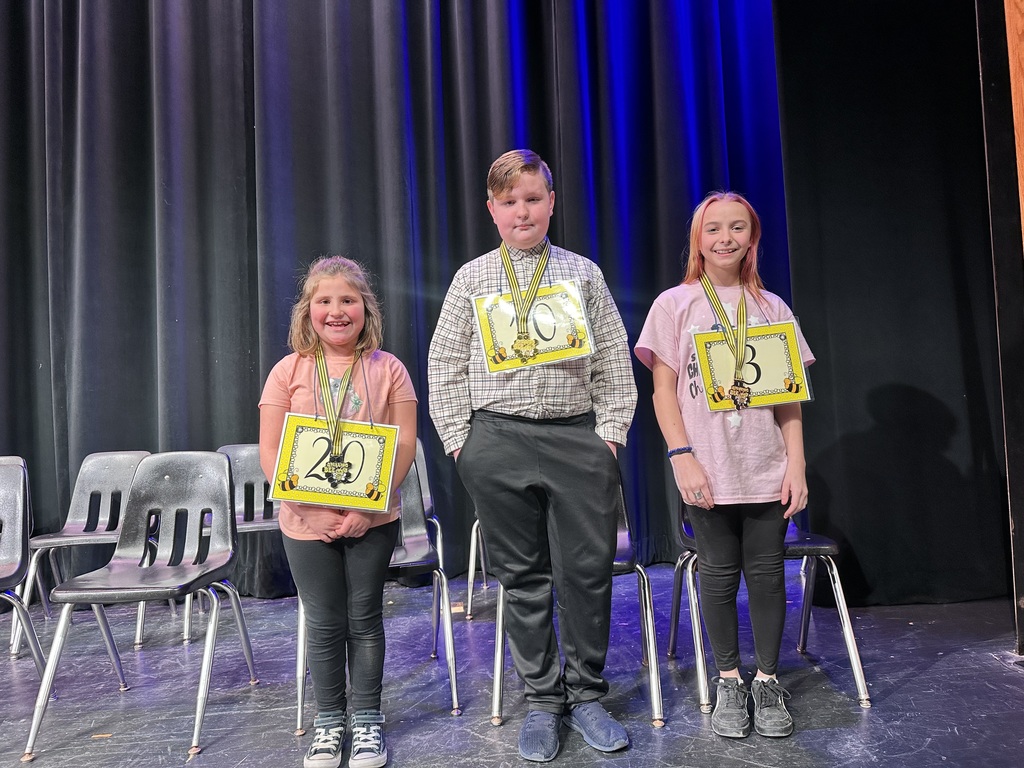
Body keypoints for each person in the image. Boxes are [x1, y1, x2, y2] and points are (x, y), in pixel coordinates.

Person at [428, 149, 637, 763]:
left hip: (577, 438)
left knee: (587, 573)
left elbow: (613, 360)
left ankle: (587, 694)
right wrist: (460, 442)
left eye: (533, 199)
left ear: (551, 203)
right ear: (492, 210)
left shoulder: (583, 273)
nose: (523, 211)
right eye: (510, 201)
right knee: (521, 579)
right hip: (497, 439)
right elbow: (445, 365)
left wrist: (610, 435)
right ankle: (544, 701)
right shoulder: (472, 278)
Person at [635, 191, 813, 739]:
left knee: (765, 574)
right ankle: (729, 679)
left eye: (738, 228)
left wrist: (797, 465)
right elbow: (664, 392)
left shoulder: (772, 308)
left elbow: (789, 399)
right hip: (706, 467)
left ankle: (765, 678)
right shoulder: (675, 304)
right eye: (714, 229)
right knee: (717, 574)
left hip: (765, 464)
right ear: (698, 239)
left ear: (752, 238)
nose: (726, 238)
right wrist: (682, 457)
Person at [260, 256, 417, 768]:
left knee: (364, 619)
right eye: (324, 301)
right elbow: (270, 452)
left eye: (347, 300)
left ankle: (367, 720)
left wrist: (370, 512)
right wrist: (311, 509)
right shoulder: (288, 371)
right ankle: (330, 722)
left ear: (365, 309)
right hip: (304, 521)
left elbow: (405, 445)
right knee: (325, 623)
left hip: (372, 520)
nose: (336, 311)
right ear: (307, 312)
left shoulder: (389, 369)